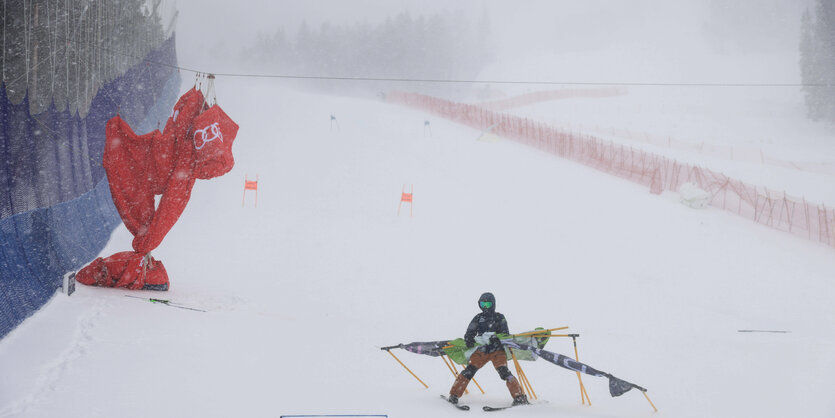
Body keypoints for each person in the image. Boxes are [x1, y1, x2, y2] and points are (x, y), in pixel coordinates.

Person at [447, 292, 529, 406]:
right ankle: (454, 395)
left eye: (488, 304)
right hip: (482, 351)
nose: (485, 307)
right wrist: (469, 339)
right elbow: (469, 333)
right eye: (482, 304)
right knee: (469, 371)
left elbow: (505, 334)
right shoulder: (478, 318)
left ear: (493, 304)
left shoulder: (499, 317)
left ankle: (520, 397)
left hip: (497, 351)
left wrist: (497, 338)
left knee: (504, 372)